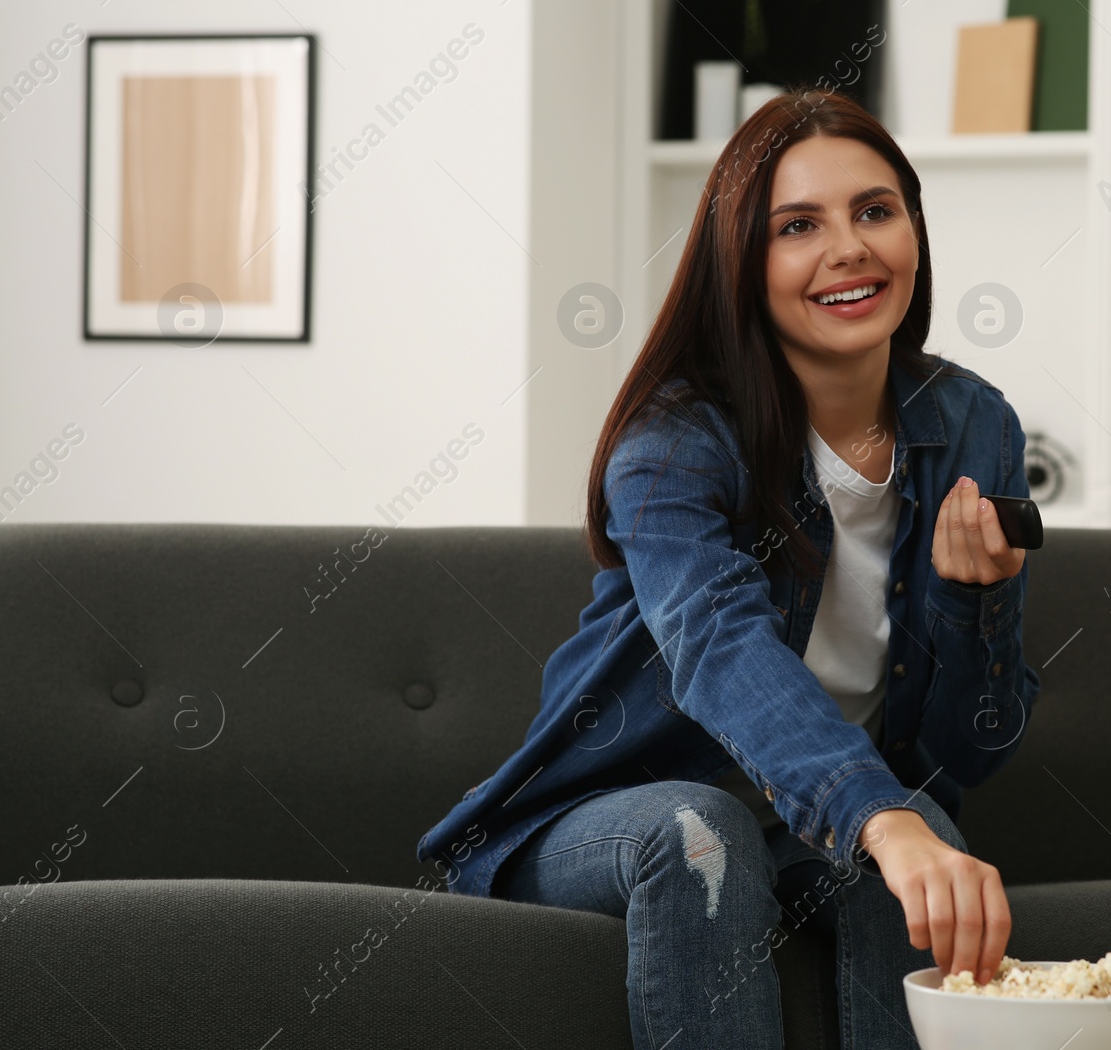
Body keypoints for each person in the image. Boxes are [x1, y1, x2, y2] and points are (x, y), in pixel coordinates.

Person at [415, 84, 1041, 1050]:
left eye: (876, 211)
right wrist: (880, 812)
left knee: (925, 849)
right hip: (608, 814)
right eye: (798, 226)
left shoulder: (975, 426)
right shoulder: (674, 443)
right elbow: (719, 648)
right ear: (741, 263)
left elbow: (967, 755)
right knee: (699, 826)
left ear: (915, 228)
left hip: (820, 824)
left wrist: (980, 608)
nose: (849, 249)